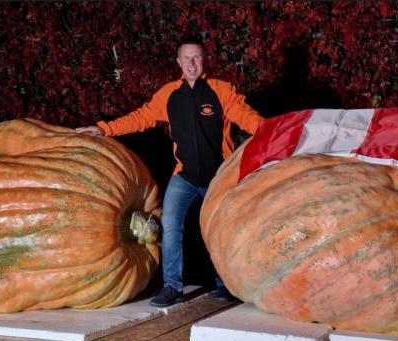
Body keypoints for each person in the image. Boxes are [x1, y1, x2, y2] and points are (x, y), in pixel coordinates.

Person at [76, 37, 263, 307]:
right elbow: (141, 118)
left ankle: (226, 284)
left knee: (221, 230)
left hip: (219, 176)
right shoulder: (169, 94)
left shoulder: (221, 91)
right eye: (186, 58)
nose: (191, 63)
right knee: (170, 225)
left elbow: (247, 118)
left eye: (196, 57)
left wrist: (272, 132)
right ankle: (172, 286)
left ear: (205, 60)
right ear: (178, 62)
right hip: (184, 175)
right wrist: (104, 129)